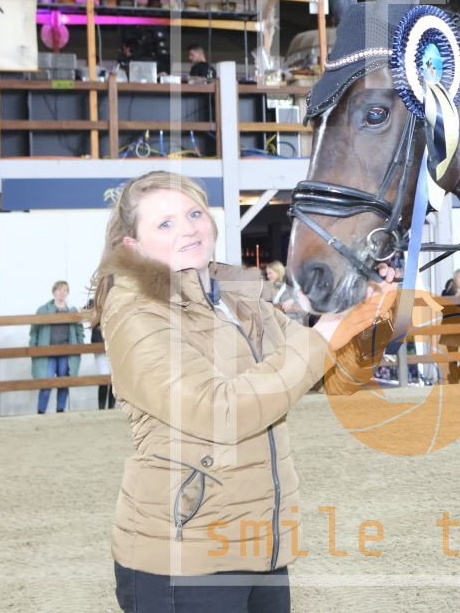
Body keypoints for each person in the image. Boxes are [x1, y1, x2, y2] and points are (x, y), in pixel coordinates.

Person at [90, 171, 388, 610]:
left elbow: (328, 372)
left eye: (194, 214)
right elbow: (217, 411)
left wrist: (363, 307)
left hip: (259, 545)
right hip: (184, 557)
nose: (188, 228)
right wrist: (323, 336)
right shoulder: (136, 312)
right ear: (132, 246)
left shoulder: (236, 297)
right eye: (165, 223)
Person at [30, 281, 84, 414]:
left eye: (65, 290)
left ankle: (60, 410)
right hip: (47, 353)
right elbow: (34, 331)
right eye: (59, 290)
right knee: (46, 383)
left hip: (65, 353)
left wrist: (80, 346)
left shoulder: (72, 311)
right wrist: (33, 349)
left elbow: (79, 330)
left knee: (63, 382)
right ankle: (41, 412)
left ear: (67, 293)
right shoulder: (43, 310)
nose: (62, 293)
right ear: (54, 292)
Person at [84, 297, 116, 409]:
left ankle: (111, 408)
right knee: (104, 374)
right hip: (99, 344)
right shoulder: (93, 301)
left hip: (115, 345)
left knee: (114, 377)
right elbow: (83, 313)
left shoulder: (116, 299)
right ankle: (101, 408)